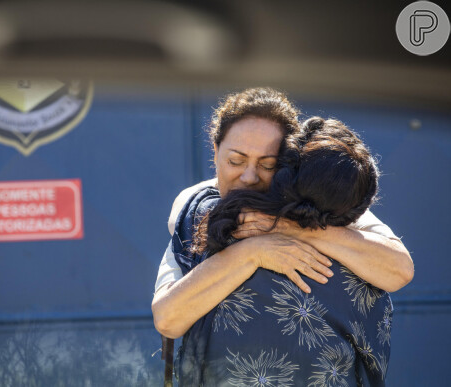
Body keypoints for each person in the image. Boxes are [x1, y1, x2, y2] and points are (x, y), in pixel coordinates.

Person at [151, 88, 413, 382]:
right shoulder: (196, 206)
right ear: (215, 150)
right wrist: (253, 253)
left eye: (267, 165)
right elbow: (168, 319)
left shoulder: (319, 201)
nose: (249, 177)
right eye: (235, 161)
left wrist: (290, 227)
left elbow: (398, 270)